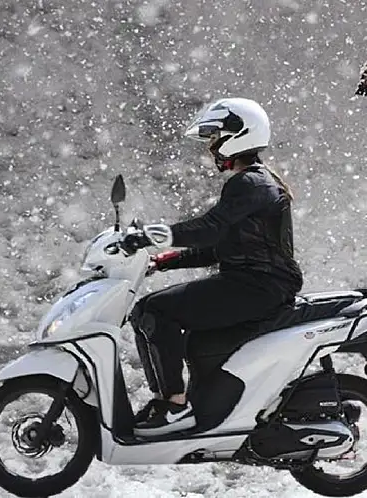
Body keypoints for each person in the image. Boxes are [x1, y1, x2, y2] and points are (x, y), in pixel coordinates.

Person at [122, 97, 303, 436]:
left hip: (257, 286)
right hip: (258, 284)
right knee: (188, 337)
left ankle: (173, 406)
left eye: (216, 137)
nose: (211, 147)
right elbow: (222, 247)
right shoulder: (255, 181)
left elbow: (210, 229)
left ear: (239, 136)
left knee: (153, 310)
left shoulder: (250, 182)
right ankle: (197, 407)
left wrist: (151, 236)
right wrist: (166, 261)